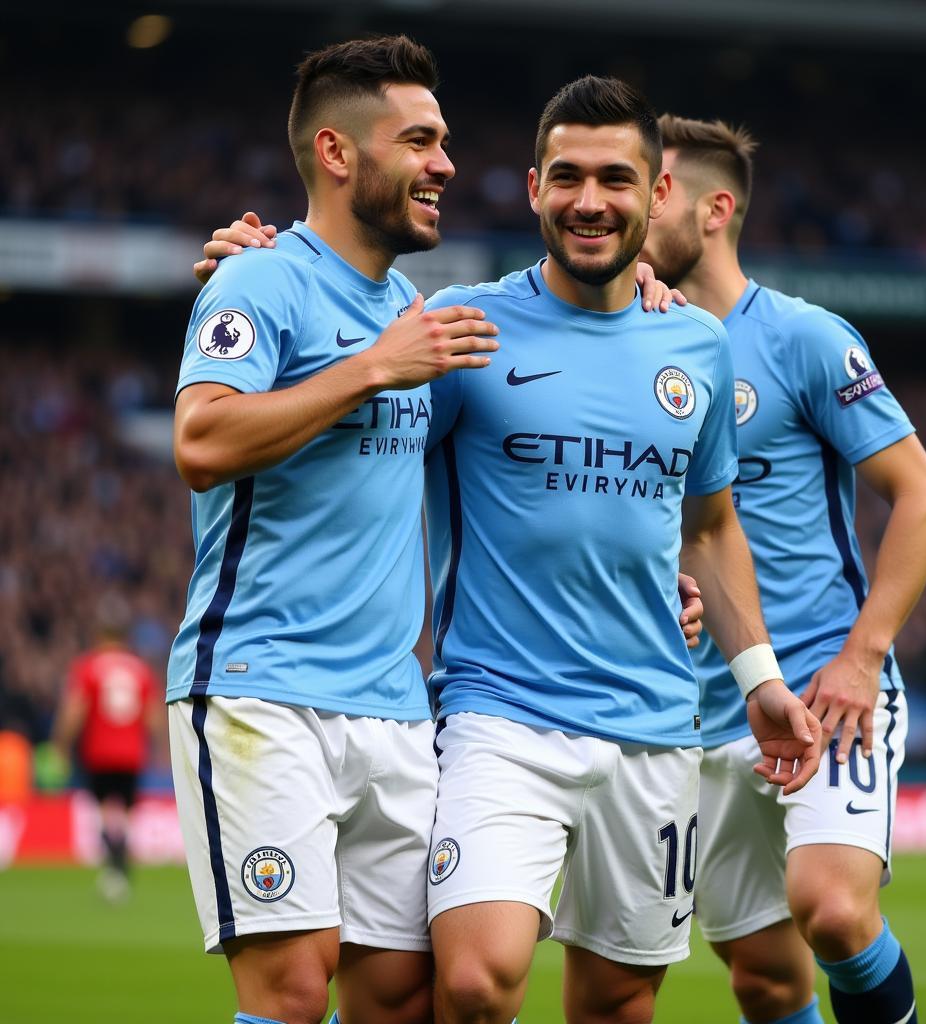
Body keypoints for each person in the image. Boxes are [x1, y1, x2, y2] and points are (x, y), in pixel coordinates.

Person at [194, 76, 822, 1024]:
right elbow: (351, 394)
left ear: (658, 197)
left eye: (617, 179)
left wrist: (760, 677)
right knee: (476, 983)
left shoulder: (696, 346)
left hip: (655, 723)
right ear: (533, 188)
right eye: (566, 177)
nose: (589, 201)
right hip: (496, 714)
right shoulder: (463, 331)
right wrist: (261, 271)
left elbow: (709, 527)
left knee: (614, 1002)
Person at [167, 35, 502, 1024]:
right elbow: (200, 438)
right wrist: (368, 369)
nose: (444, 162)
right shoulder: (259, 284)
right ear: (337, 152)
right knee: (293, 986)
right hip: (262, 690)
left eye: (443, 141)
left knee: (399, 996)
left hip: (393, 707)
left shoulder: (410, 310)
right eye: (419, 140)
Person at [641, 116, 926, 1024]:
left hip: (821, 681)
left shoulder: (805, 338)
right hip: (692, 708)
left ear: (713, 209)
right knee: (765, 982)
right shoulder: (628, 340)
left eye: (652, 185)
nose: (625, 198)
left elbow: (923, 497)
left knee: (835, 909)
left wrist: (863, 656)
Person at [51, 623, 162, 900]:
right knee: (125, 813)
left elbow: (75, 708)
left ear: (101, 636)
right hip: (132, 752)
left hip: (99, 751)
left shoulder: (88, 666)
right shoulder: (140, 669)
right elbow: (153, 713)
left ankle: (115, 868)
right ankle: (120, 868)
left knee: (101, 811)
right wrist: (160, 747)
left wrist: (61, 744)